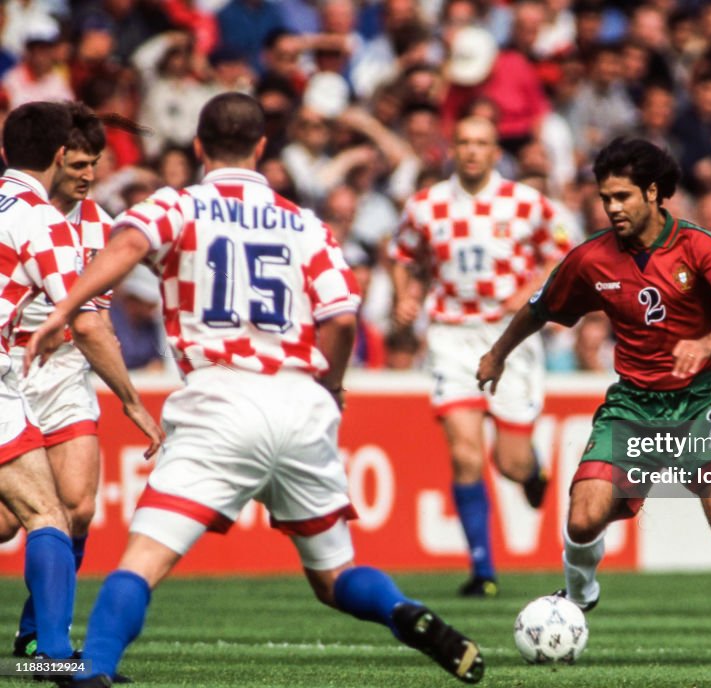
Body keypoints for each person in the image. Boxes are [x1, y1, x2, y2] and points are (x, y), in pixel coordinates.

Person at [26, 93, 484, 687]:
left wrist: (63, 306)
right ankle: (404, 611)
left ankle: (94, 670)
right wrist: (335, 386)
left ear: (198, 146)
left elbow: (130, 245)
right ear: (262, 149)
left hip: (220, 397)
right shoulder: (305, 223)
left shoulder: (179, 205)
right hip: (300, 402)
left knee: (141, 563)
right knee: (334, 575)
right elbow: (343, 318)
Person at [476, 138, 711, 663]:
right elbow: (539, 307)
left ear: (654, 193)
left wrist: (707, 342)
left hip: (705, 401)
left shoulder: (698, 247)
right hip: (633, 406)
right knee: (582, 519)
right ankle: (581, 594)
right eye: (605, 197)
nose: (611, 208)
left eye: (622, 196)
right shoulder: (591, 258)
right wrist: (497, 354)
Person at [0, 102, 163, 664]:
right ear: (57, 156)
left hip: (64, 371)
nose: (87, 175)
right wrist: (134, 401)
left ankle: (38, 636)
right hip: (13, 365)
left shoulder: (98, 223)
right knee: (14, 520)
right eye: (78, 164)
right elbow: (84, 318)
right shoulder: (36, 217)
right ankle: (49, 645)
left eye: (95, 164)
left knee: (76, 507)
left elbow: (95, 318)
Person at [389, 116, 567, 597]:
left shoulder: (527, 203)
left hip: (512, 336)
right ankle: (482, 570)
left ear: (495, 152)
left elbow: (563, 256)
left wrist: (532, 290)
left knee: (508, 463)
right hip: (451, 335)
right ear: (453, 148)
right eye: (463, 142)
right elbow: (402, 256)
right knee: (465, 455)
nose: (471, 151)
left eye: (481, 143)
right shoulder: (425, 206)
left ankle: (532, 470)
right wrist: (406, 297)